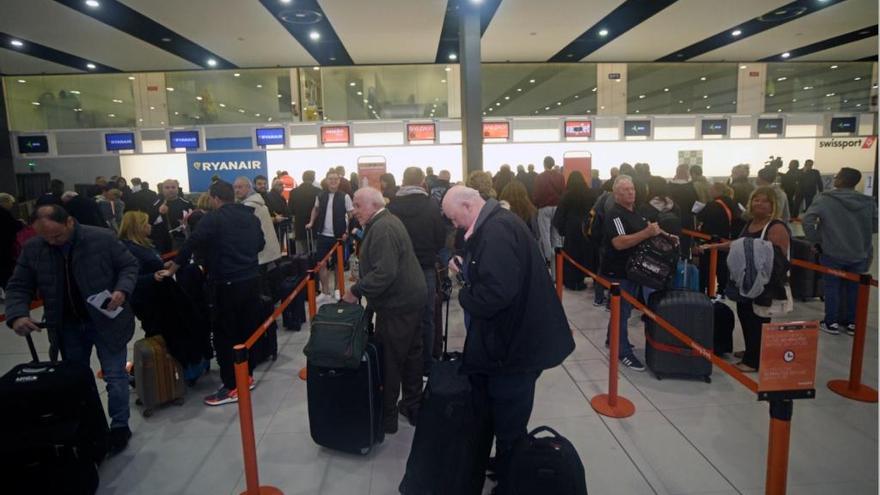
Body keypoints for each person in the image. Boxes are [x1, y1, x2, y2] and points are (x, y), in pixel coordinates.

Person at [441, 186, 574, 483]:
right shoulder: (495, 222)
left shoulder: (497, 231)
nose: (454, 224)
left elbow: (494, 296)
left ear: (467, 205)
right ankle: (506, 462)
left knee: (511, 417)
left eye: (453, 217)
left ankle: (513, 479)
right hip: (517, 340)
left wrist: (465, 293)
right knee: (505, 412)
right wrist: (466, 266)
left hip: (518, 348)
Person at [5, 204, 139, 455]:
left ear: (69, 222)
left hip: (107, 321)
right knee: (76, 380)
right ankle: (88, 426)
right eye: (45, 237)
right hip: (65, 325)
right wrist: (16, 314)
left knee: (115, 376)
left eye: (56, 236)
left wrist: (122, 289)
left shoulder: (101, 238)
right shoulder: (34, 248)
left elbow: (129, 266)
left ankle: (120, 426)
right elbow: (19, 284)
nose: (52, 242)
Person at [156, 181, 265, 406]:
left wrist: (173, 268)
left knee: (226, 335)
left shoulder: (213, 219)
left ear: (215, 198)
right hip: (252, 280)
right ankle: (247, 375)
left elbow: (191, 244)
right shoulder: (250, 216)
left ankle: (231, 386)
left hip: (226, 283)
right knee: (248, 331)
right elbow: (260, 244)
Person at [342, 188, 427, 434]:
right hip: (410, 299)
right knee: (412, 356)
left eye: (358, 205)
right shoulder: (386, 221)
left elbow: (385, 272)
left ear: (374, 204)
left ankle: (387, 418)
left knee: (391, 361)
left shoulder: (383, 228)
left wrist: (356, 291)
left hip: (398, 304)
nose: (355, 211)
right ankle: (413, 406)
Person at [699, 187, 790, 372]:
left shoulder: (776, 227)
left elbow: (778, 259)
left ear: (773, 205)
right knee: (746, 316)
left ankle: (753, 361)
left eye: (765, 201)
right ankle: (751, 351)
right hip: (745, 282)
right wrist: (715, 247)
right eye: (756, 199)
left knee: (758, 319)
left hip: (762, 284)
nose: (759, 204)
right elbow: (739, 245)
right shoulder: (750, 224)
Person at [602, 175, 677, 371]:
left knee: (622, 310)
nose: (630, 192)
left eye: (632, 189)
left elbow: (650, 229)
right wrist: (646, 233)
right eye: (625, 190)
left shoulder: (636, 212)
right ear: (616, 194)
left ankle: (613, 340)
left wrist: (667, 237)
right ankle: (622, 352)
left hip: (633, 270)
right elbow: (619, 242)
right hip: (619, 270)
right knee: (622, 311)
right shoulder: (615, 215)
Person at [803, 167, 877, 336]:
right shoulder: (868, 201)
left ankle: (831, 322)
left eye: (837, 176)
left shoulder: (825, 199)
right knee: (854, 288)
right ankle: (851, 322)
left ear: (841, 180)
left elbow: (808, 220)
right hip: (859, 252)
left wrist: (816, 240)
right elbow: (874, 226)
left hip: (832, 251)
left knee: (832, 287)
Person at [387, 168, 446, 376]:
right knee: (427, 317)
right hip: (426, 267)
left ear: (403, 181)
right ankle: (426, 365)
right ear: (422, 182)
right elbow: (441, 238)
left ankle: (402, 364)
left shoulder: (392, 207)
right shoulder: (431, 205)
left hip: (399, 270)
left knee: (400, 317)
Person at [306, 170, 352, 303]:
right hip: (323, 235)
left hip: (338, 237)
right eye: (330, 179)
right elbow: (315, 209)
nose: (333, 181)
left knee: (339, 265)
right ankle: (325, 292)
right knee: (321, 263)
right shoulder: (320, 195)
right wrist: (311, 222)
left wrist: (347, 232)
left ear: (339, 181)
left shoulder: (345, 197)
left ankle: (338, 290)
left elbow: (351, 214)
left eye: (335, 179)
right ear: (326, 181)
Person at [552, 171, 598, 290]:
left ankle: (574, 282)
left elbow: (559, 217)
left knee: (572, 256)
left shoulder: (567, 195)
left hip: (571, 229)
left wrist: (563, 231)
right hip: (588, 228)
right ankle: (594, 279)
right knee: (590, 254)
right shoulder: (591, 194)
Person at [696, 182, 740, 295]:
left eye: (711, 190)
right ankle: (722, 289)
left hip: (711, 240)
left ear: (716, 190)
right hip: (726, 240)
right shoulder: (733, 202)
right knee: (722, 266)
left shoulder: (713, 204)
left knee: (707, 266)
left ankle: (705, 289)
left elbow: (701, 216)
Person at [234, 177, 282, 267]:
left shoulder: (249, 207)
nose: (236, 190)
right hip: (269, 254)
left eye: (240, 187)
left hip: (260, 256)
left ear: (249, 187)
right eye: (235, 187)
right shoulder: (259, 203)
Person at [531, 156, 565, 279]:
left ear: (544, 164)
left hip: (544, 208)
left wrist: (536, 203)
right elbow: (563, 191)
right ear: (553, 163)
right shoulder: (560, 177)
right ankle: (557, 265)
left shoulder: (540, 177)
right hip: (557, 207)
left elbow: (536, 194)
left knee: (545, 236)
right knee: (556, 236)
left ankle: (548, 262)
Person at [149, 179, 194, 253]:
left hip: (180, 239)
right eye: (167, 187)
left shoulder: (186, 203)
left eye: (173, 187)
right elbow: (149, 221)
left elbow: (192, 222)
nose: (170, 190)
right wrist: (159, 212)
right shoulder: (155, 204)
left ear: (177, 188)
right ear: (162, 189)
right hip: (160, 240)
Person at [291, 170, 322, 254]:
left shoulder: (294, 192)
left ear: (302, 178)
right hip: (315, 224)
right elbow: (320, 208)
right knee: (316, 251)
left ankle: (302, 266)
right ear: (313, 179)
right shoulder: (318, 191)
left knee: (301, 253)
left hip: (299, 225)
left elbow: (291, 209)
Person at [0, 193, 23, 290]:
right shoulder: (3, 213)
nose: (12, 205)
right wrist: (20, 223)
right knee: (6, 269)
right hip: (4, 247)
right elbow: (11, 227)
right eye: (11, 203)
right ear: (4, 202)